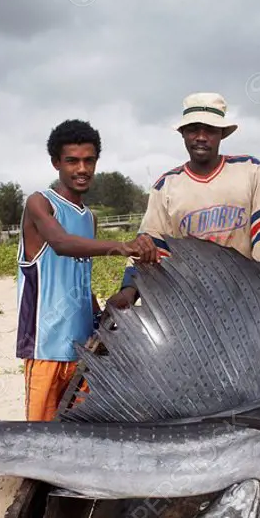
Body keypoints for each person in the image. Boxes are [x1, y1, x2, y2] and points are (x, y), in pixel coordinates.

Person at [105, 92, 260, 309]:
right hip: (194, 303)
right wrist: (127, 293)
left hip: (249, 295)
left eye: (210, 130)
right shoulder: (166, 186)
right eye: (193, 129)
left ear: (221, 133)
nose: (201, 137)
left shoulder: (250, 171)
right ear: (183, 132)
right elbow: (151, 245)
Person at [16, 119, 158, 421]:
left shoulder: (89, 218)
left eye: (88, 160)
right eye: (72, 161)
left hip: (83, 346)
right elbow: (61, 243)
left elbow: (80, 280)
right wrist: (122, 247)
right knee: (40, 437)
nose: (82, 169)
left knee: (80, 435)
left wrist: (101, 318)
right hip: (46, 346)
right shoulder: (41, 204)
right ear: (56, 163)